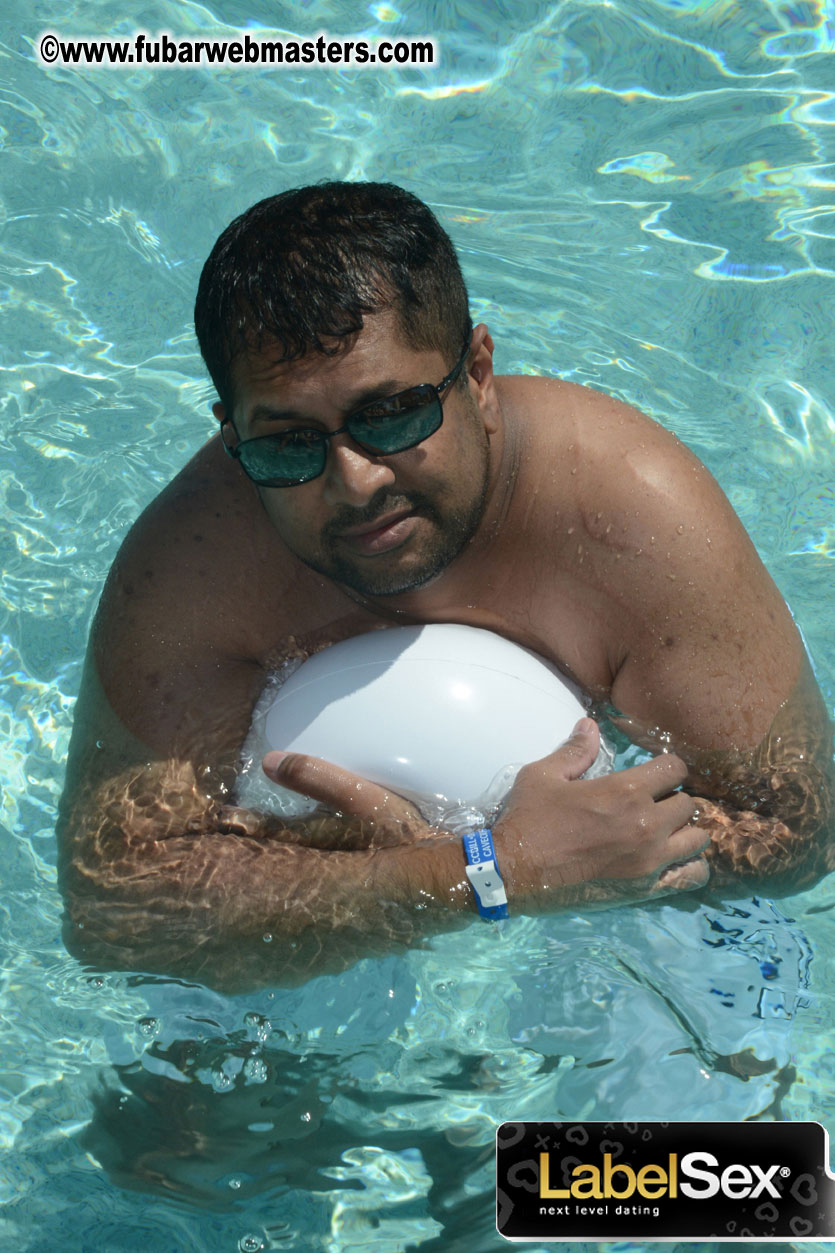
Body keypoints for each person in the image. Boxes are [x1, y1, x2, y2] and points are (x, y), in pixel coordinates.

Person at [58, 181, 833, 989]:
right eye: (287, 444)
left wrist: (566, 843)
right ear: (232, 435)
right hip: (339, 957)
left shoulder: (627, 512)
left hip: (622, 935)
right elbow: (114, 908)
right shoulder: (195, 562)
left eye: (391, 414)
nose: (354, 481)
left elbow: (795, 832)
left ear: (479, 374)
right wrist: (474, 868)